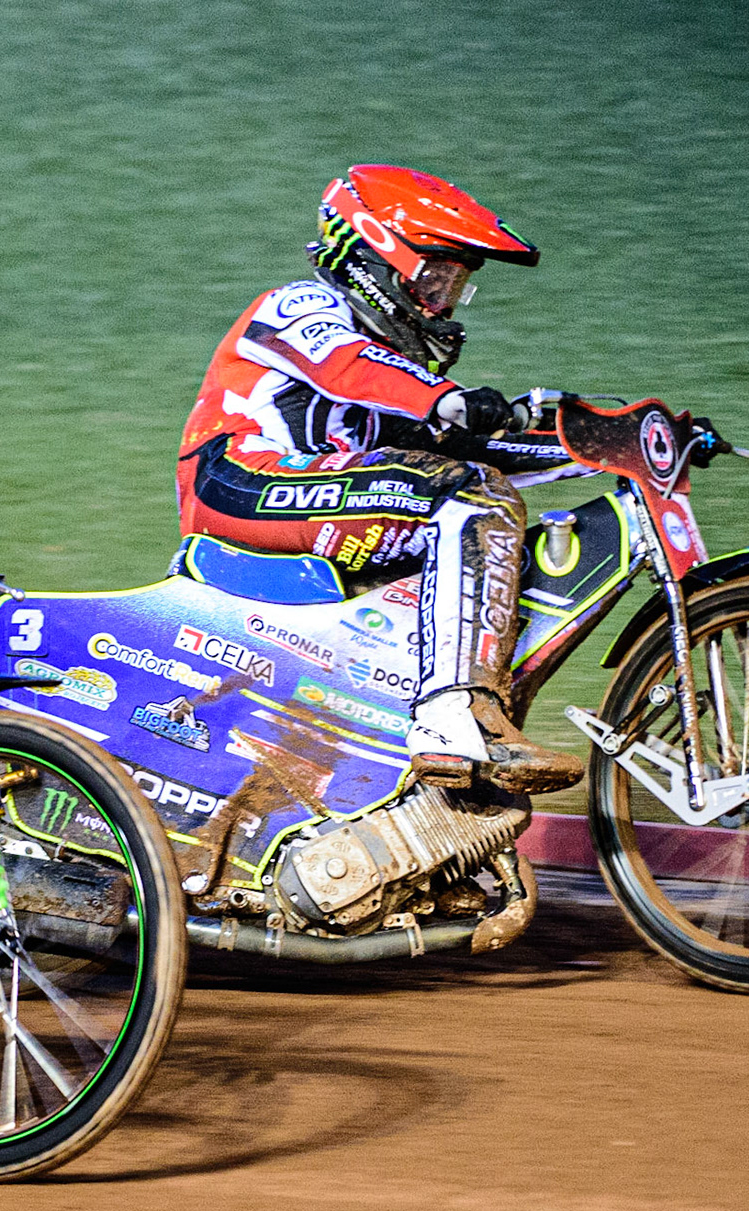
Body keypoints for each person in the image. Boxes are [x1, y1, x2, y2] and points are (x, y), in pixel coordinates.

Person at [176, 164, 583, 794]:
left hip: (311, 492)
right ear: (379, 256)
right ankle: (451, 717)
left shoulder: (396, 369)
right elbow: (346, 367)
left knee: (467, 489)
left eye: (457, 286)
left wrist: (612, 445)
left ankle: (414, 745)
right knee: (469, 498)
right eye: (436, 277)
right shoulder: (302, 306)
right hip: (236, 479)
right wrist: (446, 398)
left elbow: (468, 442)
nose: (444, 302)